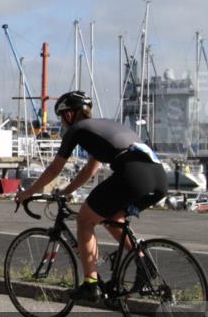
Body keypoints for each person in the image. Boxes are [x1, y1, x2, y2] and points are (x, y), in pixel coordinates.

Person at [15, 91, 167, 302]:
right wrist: (65, 192)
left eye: (61, 117)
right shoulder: (103, 127)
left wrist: (28, 193)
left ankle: (91, 284)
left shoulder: (77, 130)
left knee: (85, 220)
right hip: (159, 178)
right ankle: (145, 265)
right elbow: (89, 170)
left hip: (133, 174)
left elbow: (54, 169)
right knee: (113, 219)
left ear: (69, 114)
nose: (62, 122)